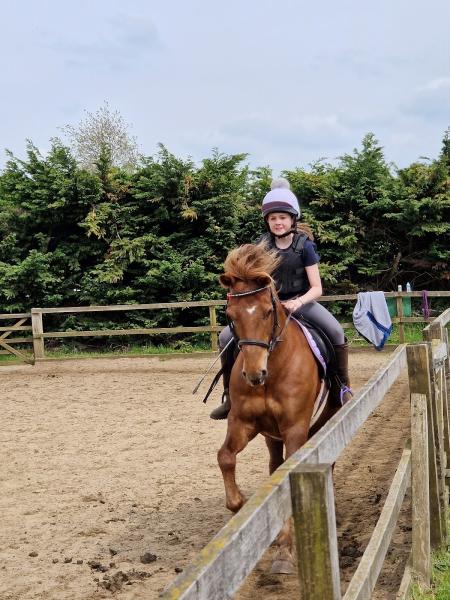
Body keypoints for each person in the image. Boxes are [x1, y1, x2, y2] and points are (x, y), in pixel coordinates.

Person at [210, 178, 350, 420]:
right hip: (267, 307)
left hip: (301, 303)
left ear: (293, 219)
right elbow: (247, 278)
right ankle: (229, 397)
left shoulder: (305, 247)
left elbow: (317, 288)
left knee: (336, 332)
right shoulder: (260, 246)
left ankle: (341, 388)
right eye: (273, 218)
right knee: (225, 337)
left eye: (283, 217)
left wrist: (298, 302)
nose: (278, 222)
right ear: (267, 221)